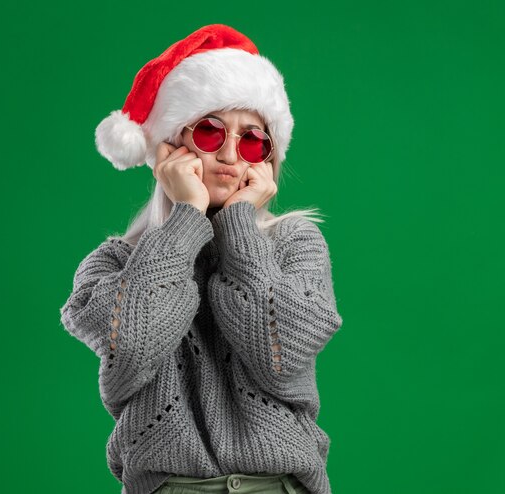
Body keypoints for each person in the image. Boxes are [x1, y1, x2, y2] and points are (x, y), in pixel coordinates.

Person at [59, 24, 344, 494]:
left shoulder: (297, 243)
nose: (232, 154)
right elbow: (131, 346)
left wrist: (238, 227)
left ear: (268, 160)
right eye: (210, 132)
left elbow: (280, 353)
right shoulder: (112, 263)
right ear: (168, 149)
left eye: (253, 140)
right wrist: (187, 216)